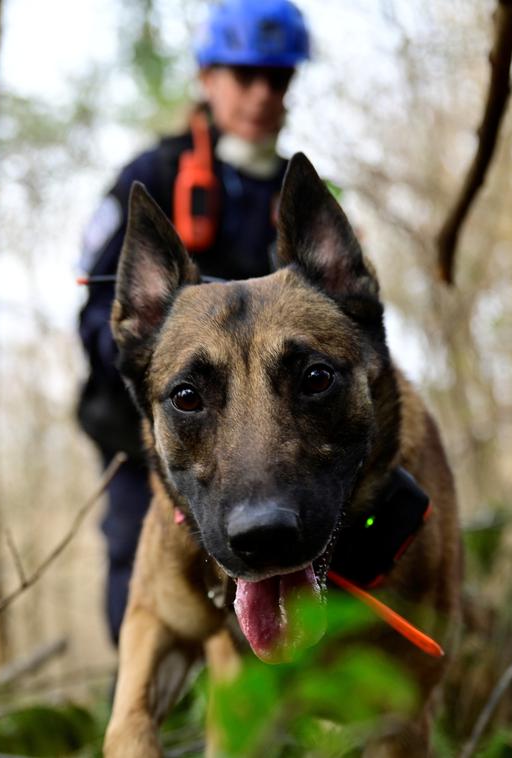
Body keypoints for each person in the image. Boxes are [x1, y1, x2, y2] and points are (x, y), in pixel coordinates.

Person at [76, 0, 311, 645]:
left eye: (279, 78)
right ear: (208, 76)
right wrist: (158, 371)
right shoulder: (151, 177)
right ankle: (143, 697)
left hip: (261, 424)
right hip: (144, 419)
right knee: (140, 556)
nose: (262, 94)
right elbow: (98, 307)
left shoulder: (297, 188)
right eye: (244, 75)